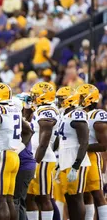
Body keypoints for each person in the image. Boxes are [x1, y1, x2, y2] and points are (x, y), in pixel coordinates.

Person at [0, 83, 32, 220]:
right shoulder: (14, 109)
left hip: (2, 155)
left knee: (0, 200)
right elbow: (28, 131)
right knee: (9, 199)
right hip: (13, 156)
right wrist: (18, 149)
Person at [55, 86, 90, 220]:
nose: (58, 102)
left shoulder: (77, 114)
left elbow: (84, 142)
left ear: (69, 99)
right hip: (65, 160)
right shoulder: (65, 114)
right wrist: (59, 163)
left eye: (61, 99)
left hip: (76, 162)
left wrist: (76, 166)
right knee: (69, 197)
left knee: (77, 197)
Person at [25, 83, 59, 220]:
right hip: (37, 157)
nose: (33, 97)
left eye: (35, 95)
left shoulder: (47, 111)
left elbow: (44, 142)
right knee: (30, 197)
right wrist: (27, 109)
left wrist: (36, 163)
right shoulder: (40, 109)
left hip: (42, 159)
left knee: (44, 197)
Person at [76, 84, 107, 220]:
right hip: (80, 157)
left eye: (81, 96)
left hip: (92, 157)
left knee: (97, 194)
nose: (78, 99)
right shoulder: (79, 114)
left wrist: (82, 146)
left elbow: (104, 145)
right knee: (85, 194)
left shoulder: (97, 115)